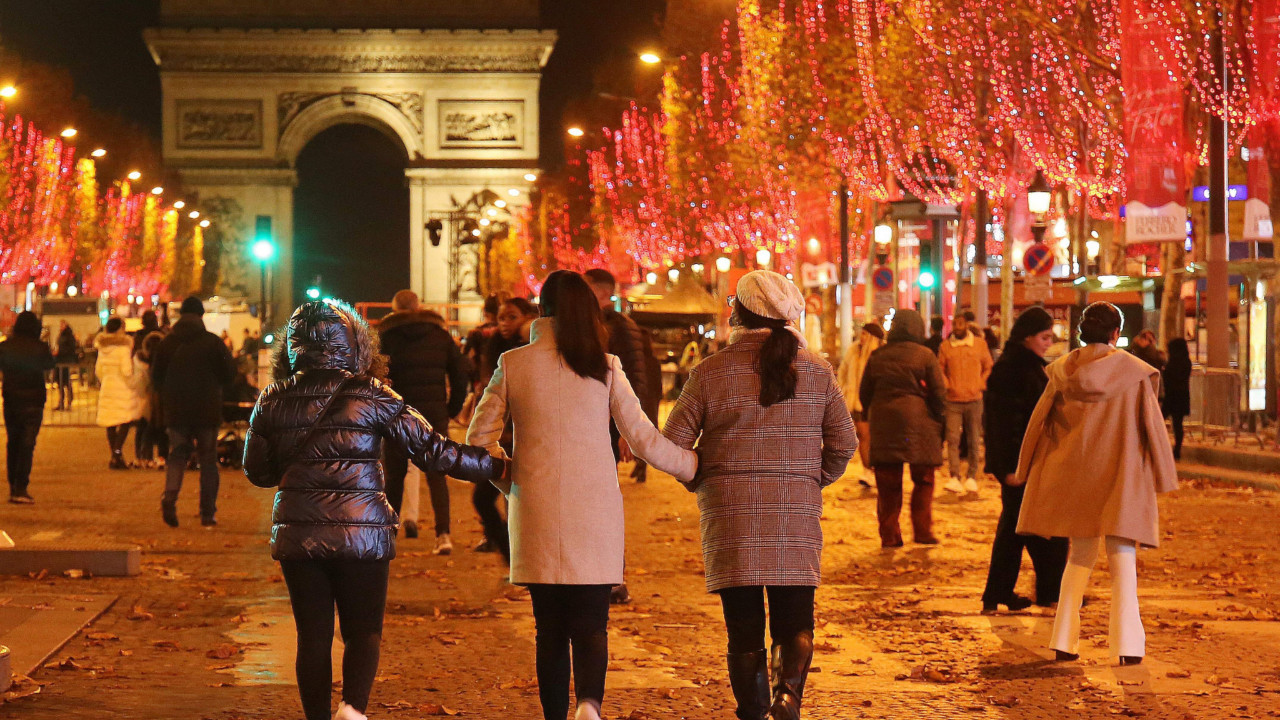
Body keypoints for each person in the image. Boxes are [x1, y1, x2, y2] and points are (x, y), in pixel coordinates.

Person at [244, 300, 506, 720]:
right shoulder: (373, 394)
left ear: (293, 348)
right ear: (355, 344)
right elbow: (432, 450)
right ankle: (352, 707)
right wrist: (493, 466)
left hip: (299, 534)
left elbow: (257, 471)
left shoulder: (274, 398)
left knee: (312, 636)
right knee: (363, 631)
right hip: (363, 532)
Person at [467, 270, 696, 720]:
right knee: (592, 625)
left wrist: (511, 479)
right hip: (594, 510)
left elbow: (478, 440)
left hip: (535, 510)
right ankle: (589, 704)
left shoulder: (513, 363)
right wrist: (691, 466)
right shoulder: (605, 367)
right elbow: (642, 437)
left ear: (542, 311)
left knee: (548, 630)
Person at [664, 270, 857, 720]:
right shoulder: (817, 371)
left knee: (743, 625)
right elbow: (845, 443)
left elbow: (673, 444)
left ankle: (752, 711)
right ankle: (788, 698)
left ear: (740, 314)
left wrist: (702, 478)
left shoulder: (709, 373)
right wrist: (811, 479)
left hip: (730, 513)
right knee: (795, 617)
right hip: (795, 512)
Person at [1015, 302, 1178, 666]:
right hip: (1121, 473)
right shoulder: (1133, 373)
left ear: (1081, 333)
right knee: (1123, 559)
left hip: (1077, 476)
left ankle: (1063, 638)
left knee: (1079, 558)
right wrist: (1164, 475)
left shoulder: (1062, 372)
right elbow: (1152, 423)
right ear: (1115, 333)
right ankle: (1129, 646)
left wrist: (1024, 468)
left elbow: (1039, 422)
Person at [980, 307, 1069, 613]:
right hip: (1022, 465)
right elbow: (1003, 424)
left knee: (1020, 529)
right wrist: (1009, 468)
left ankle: (1005, 593)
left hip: (1028, 463)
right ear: (1027, 337)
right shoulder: (1014, 370)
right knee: (1036, 528)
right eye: (1044, 337)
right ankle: (1048, 591)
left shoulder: (1025, 367)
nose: (1049, 343)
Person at [377, 289, 469, 552]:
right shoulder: (440, 335)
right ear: (418, 307)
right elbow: (460, 372)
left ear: (395, 309)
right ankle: (443, 535)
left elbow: (374, 377)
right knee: (437, 475)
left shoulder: (386, 337)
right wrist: (451, 408)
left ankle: (388, 537)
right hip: (433, 414)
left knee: (395, 477)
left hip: (397, 415)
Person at [859, 309, 946, 547]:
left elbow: (864, 393)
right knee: (924, 480)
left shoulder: (877, 356)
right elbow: (939, 393)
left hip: (885, 424)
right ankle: (922, 531)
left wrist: (871, 413)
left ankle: (890, 535)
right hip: (920, 424)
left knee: (888, 484)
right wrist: (939, 418)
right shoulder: (925, 355)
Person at [152, 296, 237, 528]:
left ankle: (170, 498)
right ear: (201, 315)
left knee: (177, 455)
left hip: (176, 410)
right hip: (207, 410)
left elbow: (156, 377)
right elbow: (229, 373)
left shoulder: (167, 344)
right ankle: (207, 513)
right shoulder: (213, 343)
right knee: (208, 459)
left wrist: (168, 396)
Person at [473, 297, 538, 559]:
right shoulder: (495, 348)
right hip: (500, 439)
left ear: (528, 317)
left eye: (512, 317)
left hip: (525, 438)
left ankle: (517, 559)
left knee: (516, 502)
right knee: (484, 499)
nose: (505, 323)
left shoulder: (533, 349)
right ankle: (510, 554)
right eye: (501, 318)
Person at [0, 312, 55, 502]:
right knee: (27, 443)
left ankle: (13, 486)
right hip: (34, 401)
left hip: (12, 399)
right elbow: (49, 364)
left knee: (13, 442)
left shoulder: (5, 346)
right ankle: (21, 487)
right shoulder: (40, 347)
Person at [938, 309, 993, 495]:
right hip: (953, 400)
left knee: (973, 438)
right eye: (954, 324)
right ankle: (954, 476)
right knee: (952, 438)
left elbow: (988, 366)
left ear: (966, 325)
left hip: (974, 399)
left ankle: (972, 476)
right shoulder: (946, 346)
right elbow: (940, 368)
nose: (957, 327)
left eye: (960, 324)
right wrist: (947, 385)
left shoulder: (979, 345)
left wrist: (980, 383)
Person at [837, 322, 884, 489]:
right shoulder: (853, 351)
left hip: (875, 403)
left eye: (865, 334)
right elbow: (843, 372)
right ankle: (867, 470)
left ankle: (876, 470)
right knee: (863, 436)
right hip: (855, 401)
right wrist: (844, 389)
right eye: (861, 333)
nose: (861, 337)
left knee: (875, 438)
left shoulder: (879, 354)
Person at [95, 317, 142, 470]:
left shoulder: (102, 348)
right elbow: (127, 371)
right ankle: (117, 453)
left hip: (107, 387)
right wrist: (134, 382)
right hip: (122, 388)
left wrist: (106, 380)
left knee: (110, 423)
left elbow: (98, 370)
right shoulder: (123, 349)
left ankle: (115, 456)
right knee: (125, 421)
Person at [136, 332, 169, 469]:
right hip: (161, 398)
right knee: (162, 429)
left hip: (146, 399)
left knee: (145, 428)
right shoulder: (165, 359)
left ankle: (144, 456)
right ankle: (162, 456)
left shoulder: (141, 361)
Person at [1163, 338, 1192, 460]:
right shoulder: (1186, 361)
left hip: (1171, 396)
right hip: (1182, 396)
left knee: (1160, 419)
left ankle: (1163, 446)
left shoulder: (1173, 362)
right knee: (1177, 424)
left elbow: (1168, 378)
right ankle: (1177, 449)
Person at [53, 320, 78, 410]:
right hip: (59, 361)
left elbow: (71, 349)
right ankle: (61, 402)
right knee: (60, 382)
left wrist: (59, 352)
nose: (60, 326)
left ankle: (69, 401)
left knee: (66, 382)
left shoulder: (69, 336)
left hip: (65, 361)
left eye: (62, 325)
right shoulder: (61, 335)